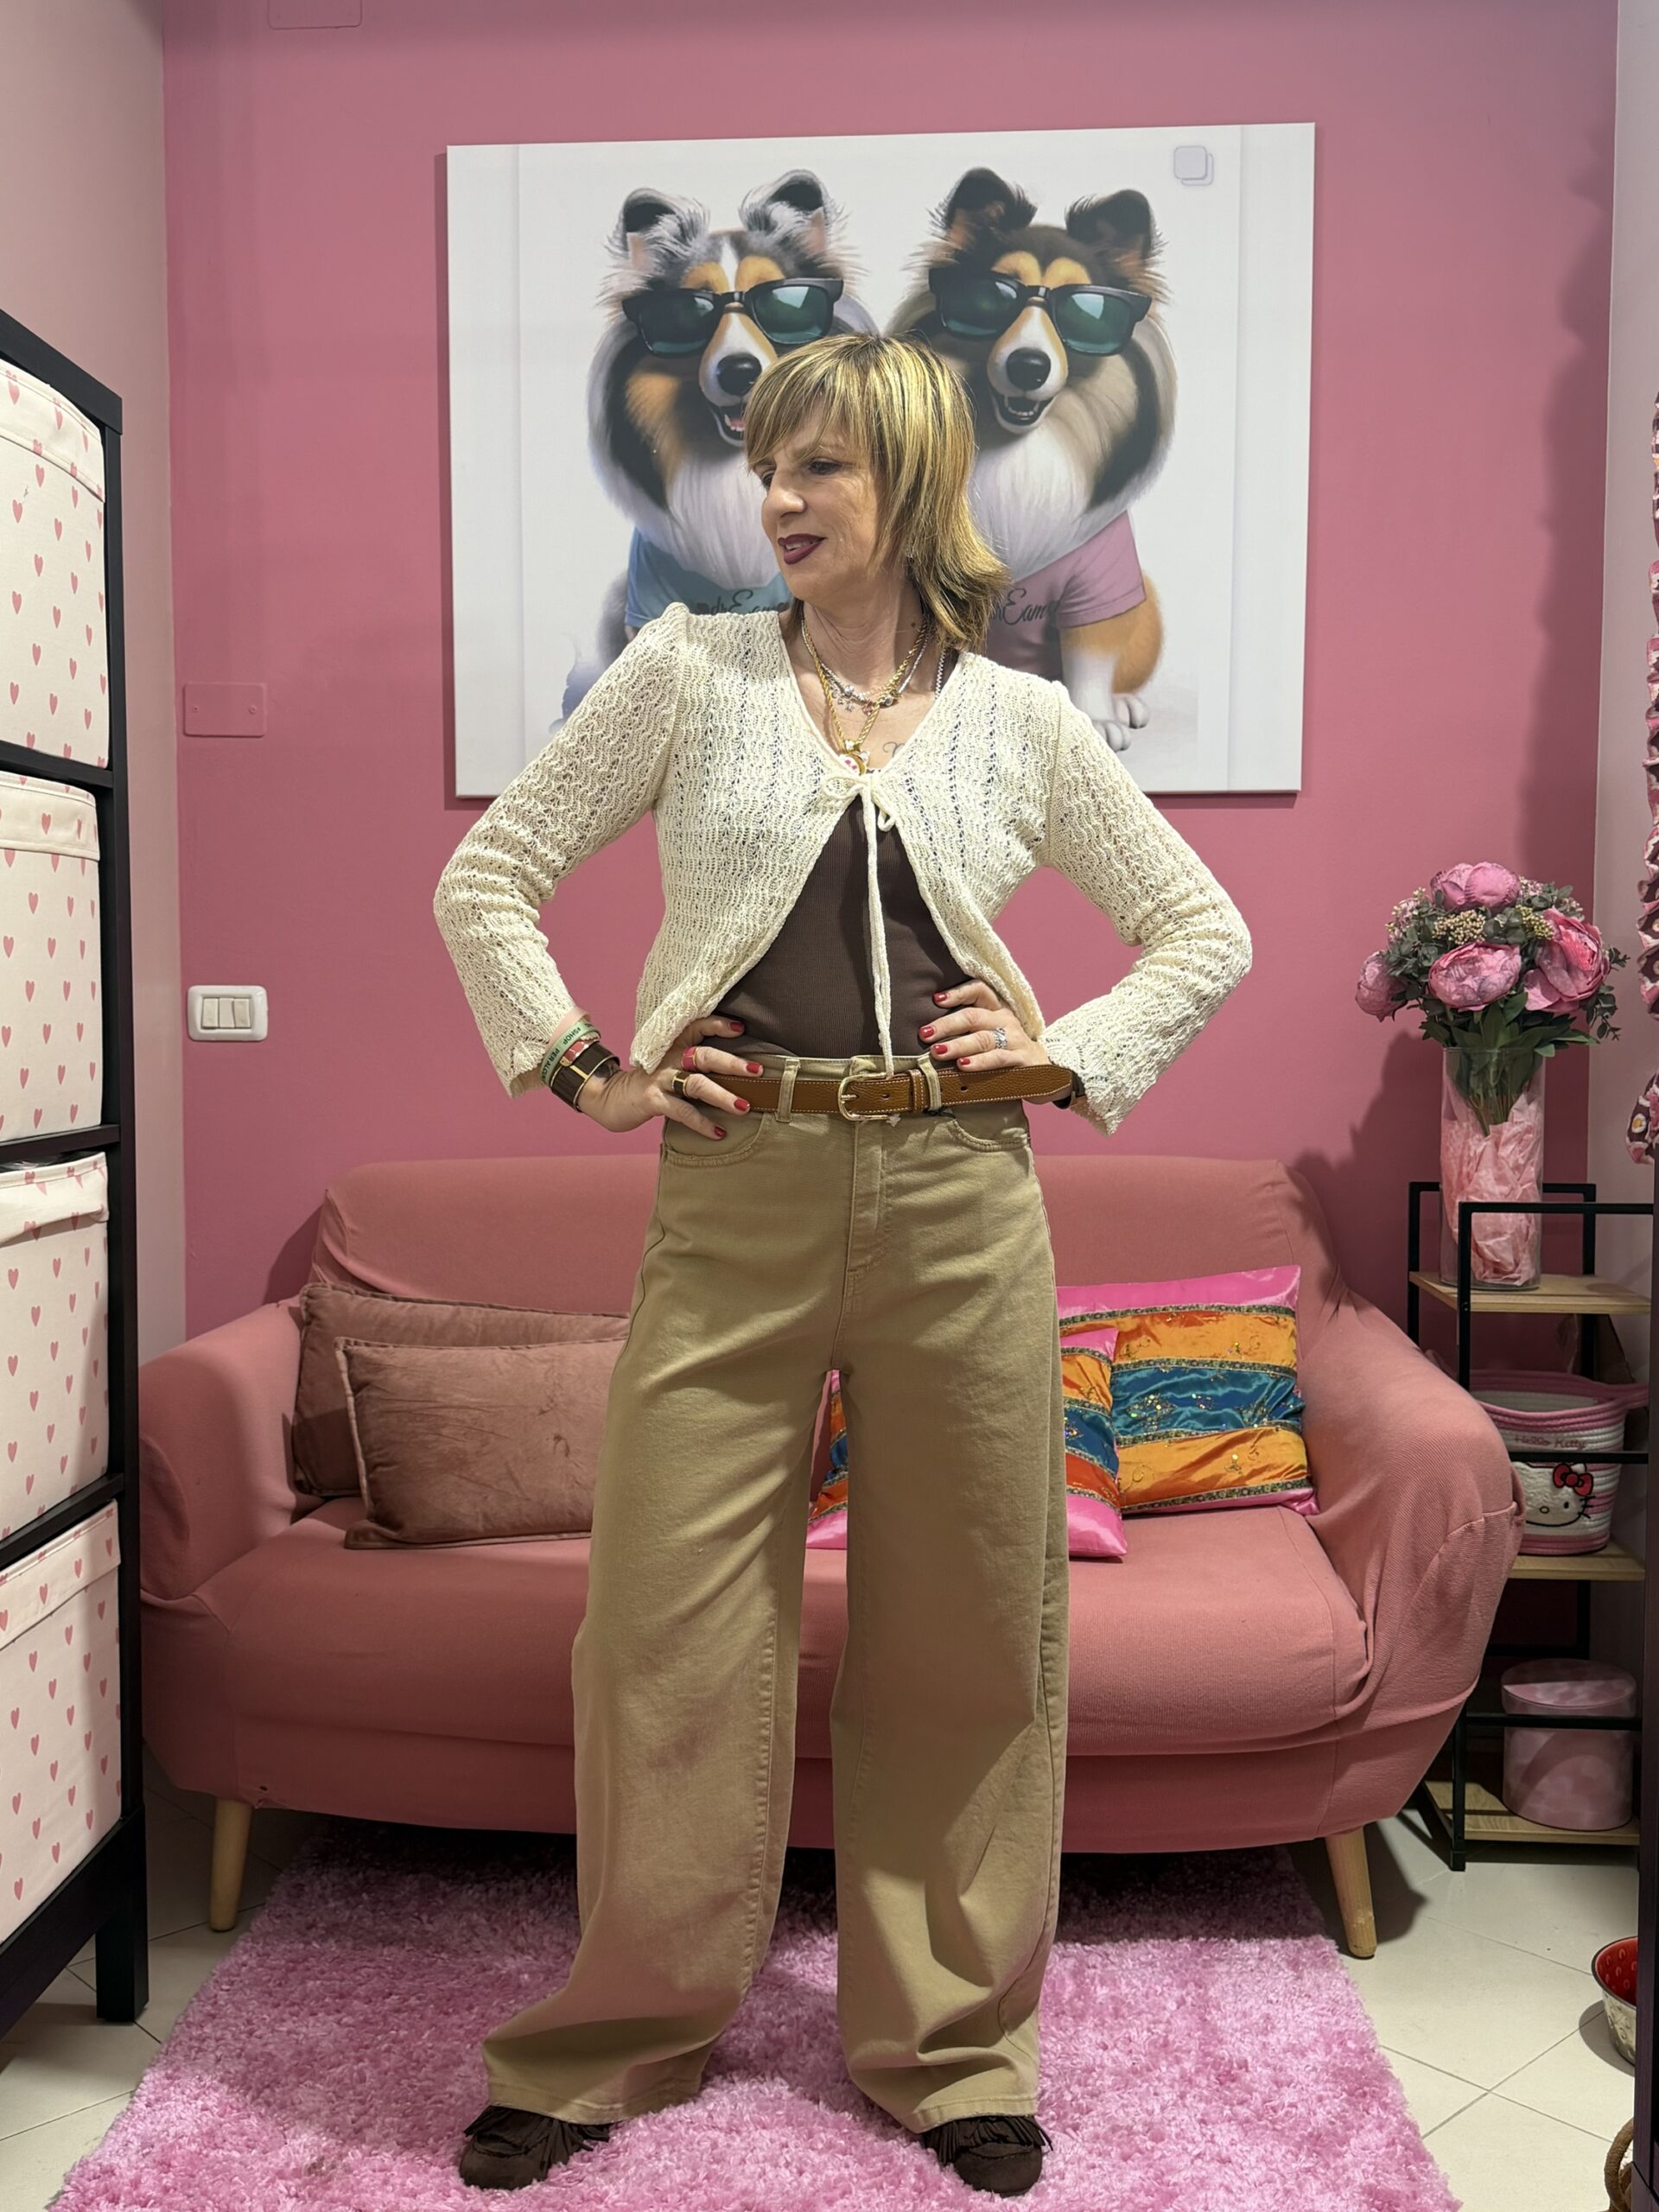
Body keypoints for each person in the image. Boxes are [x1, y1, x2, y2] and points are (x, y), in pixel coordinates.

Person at [431, 331, 1252, 2198]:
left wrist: (1061, 1052)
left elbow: (1199, 929)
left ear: (914, 484)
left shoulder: (1021, 718)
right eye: (768, 464)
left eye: (823, 467)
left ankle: (951, 2045)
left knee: (970, 1624)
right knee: (661, 1623)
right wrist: (587, 1068)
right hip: (734, 1188)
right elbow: (490, 877)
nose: (779, 500)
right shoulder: (690, 670)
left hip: (963, 1199)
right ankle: (618, 2030)